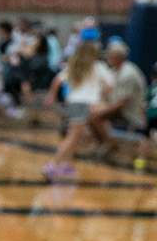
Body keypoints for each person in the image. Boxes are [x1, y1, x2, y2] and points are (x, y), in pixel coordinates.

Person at [43, 34, 110, 180]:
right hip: (86, 103)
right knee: (73, 136)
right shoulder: (97, 67)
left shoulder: (74, 66)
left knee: (79, 135)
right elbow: (109, 85)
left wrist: (52, 96)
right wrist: (102, 99)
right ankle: (55, 165)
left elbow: (57, 81)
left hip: (73, 102)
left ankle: (66, 164)